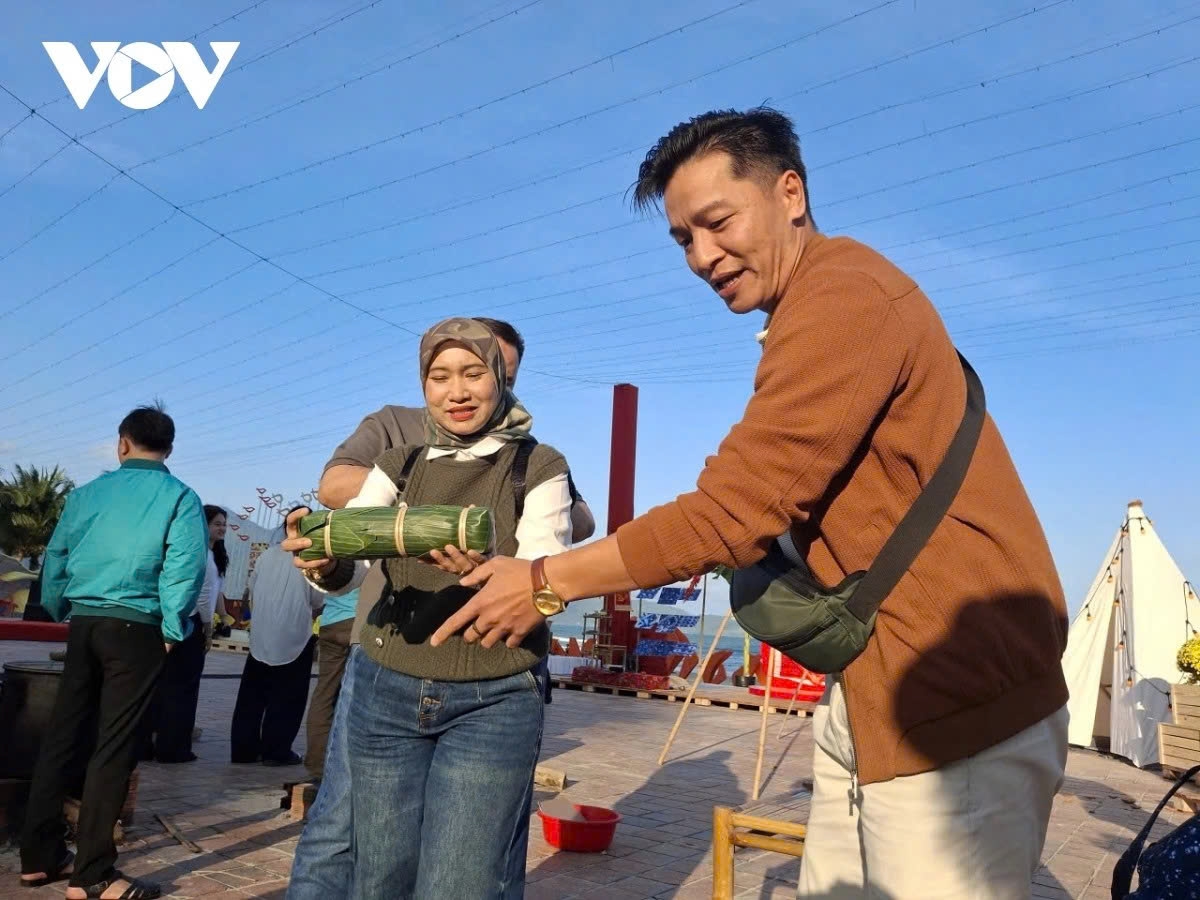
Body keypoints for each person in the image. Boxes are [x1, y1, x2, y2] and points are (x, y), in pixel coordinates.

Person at [433, 107, 1071, 899]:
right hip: (879, 693)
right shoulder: (815, 305)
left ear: (790, 193)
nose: (702, 257)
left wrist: (542, 582)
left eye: (717, 222)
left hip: (958, 707)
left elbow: (730, 510)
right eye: (682, 240)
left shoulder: (845, 296)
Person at [287, 317, 580, 898]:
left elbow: (545, 573)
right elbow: (358, 554)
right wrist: (325, 561)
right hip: (384, 689)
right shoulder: (397, 462)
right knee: (379, 875)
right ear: (424, 387)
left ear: (499, 380)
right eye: (440, 376)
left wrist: (481, 572)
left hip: (491, 695)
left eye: (474, 373)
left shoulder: (539, 465)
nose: (458, 391)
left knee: (460, 882)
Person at [19, 403, 207, 900]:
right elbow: (184, 568)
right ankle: (93, 874)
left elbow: (56, 556)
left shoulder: (86, 495)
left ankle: (38, 858)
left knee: (62, 736)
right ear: (168, 448)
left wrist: (63, 607)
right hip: (138, 628)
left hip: (85, 623)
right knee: (114, 747)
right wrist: (171, 627)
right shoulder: (180, 498)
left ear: (122, 443)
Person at [139, 504, 227, 763]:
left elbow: (215, 593)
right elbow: (200, 595)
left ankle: (151, 744)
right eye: (216, 523)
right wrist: (208, 627)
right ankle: (172, 747)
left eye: (224, 523)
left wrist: (221, 617)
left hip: (185, 620)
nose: (221, 528)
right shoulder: (199, 553)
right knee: (181, 688)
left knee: (167, 684)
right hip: (188, 622)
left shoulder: (213, 555)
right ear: (203, 524)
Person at [229, 521, 322, 766]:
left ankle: (243, 750)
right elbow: (317, 597)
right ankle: (276, 751)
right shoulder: (310, 557)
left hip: (261, 634)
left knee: (252, 696)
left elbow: (252, 589)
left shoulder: (266, 556)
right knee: (288, 696)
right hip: (294, 635)